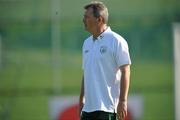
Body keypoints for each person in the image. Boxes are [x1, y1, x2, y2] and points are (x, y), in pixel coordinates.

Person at [79, 1, 131, 120]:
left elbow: (126, 71)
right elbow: (86, 73)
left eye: (87, 17)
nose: (83, 20)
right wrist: (81, 99)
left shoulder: (116, 41)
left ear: (99, 19)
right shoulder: (86, 43)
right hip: (87, 110)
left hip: (107, 109)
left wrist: (123, 100)